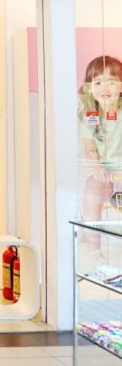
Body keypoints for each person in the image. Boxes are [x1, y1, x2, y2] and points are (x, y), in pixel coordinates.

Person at [78, 55, 122, 260]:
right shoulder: (90, 114)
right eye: (97, 83)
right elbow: (89, 148)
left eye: (111, 82)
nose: (104, 88)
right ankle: (94, 248)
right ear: (89, 88)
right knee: (91, 192)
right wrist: (97, 168)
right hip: (104, 171)